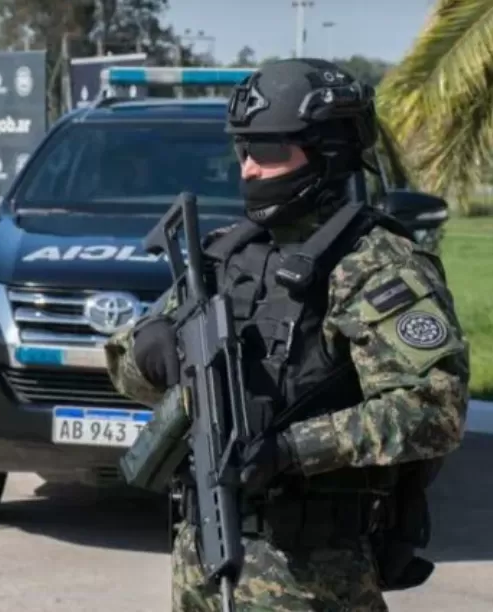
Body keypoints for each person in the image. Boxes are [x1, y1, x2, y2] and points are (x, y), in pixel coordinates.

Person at [104, 58, 471, 611]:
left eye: (268, 151)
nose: (249, 168)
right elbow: (122, 366)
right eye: (243, 150)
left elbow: (433, 411)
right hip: (202, 554)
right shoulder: (226, 255)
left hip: (312, 573)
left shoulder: (375, 265)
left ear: (328, 152)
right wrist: (152, 353)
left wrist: (290, 449)